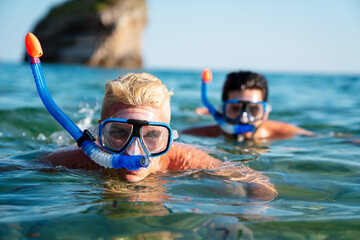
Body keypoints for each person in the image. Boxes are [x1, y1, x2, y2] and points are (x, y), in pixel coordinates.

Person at [42, 72, 277, 201]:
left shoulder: (182, 159)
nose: (133, 151)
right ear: (99, 134)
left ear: (168, 139)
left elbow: (257, 182)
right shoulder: (85, 157)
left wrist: (251, 213)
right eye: (120, 133)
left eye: (152, 136)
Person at [182, 70, 314, 141]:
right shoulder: (202, 134)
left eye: (253, 109)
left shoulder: (284, 133)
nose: (244, 118)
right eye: (235, 108)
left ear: (266, 113)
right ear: (222, 111)